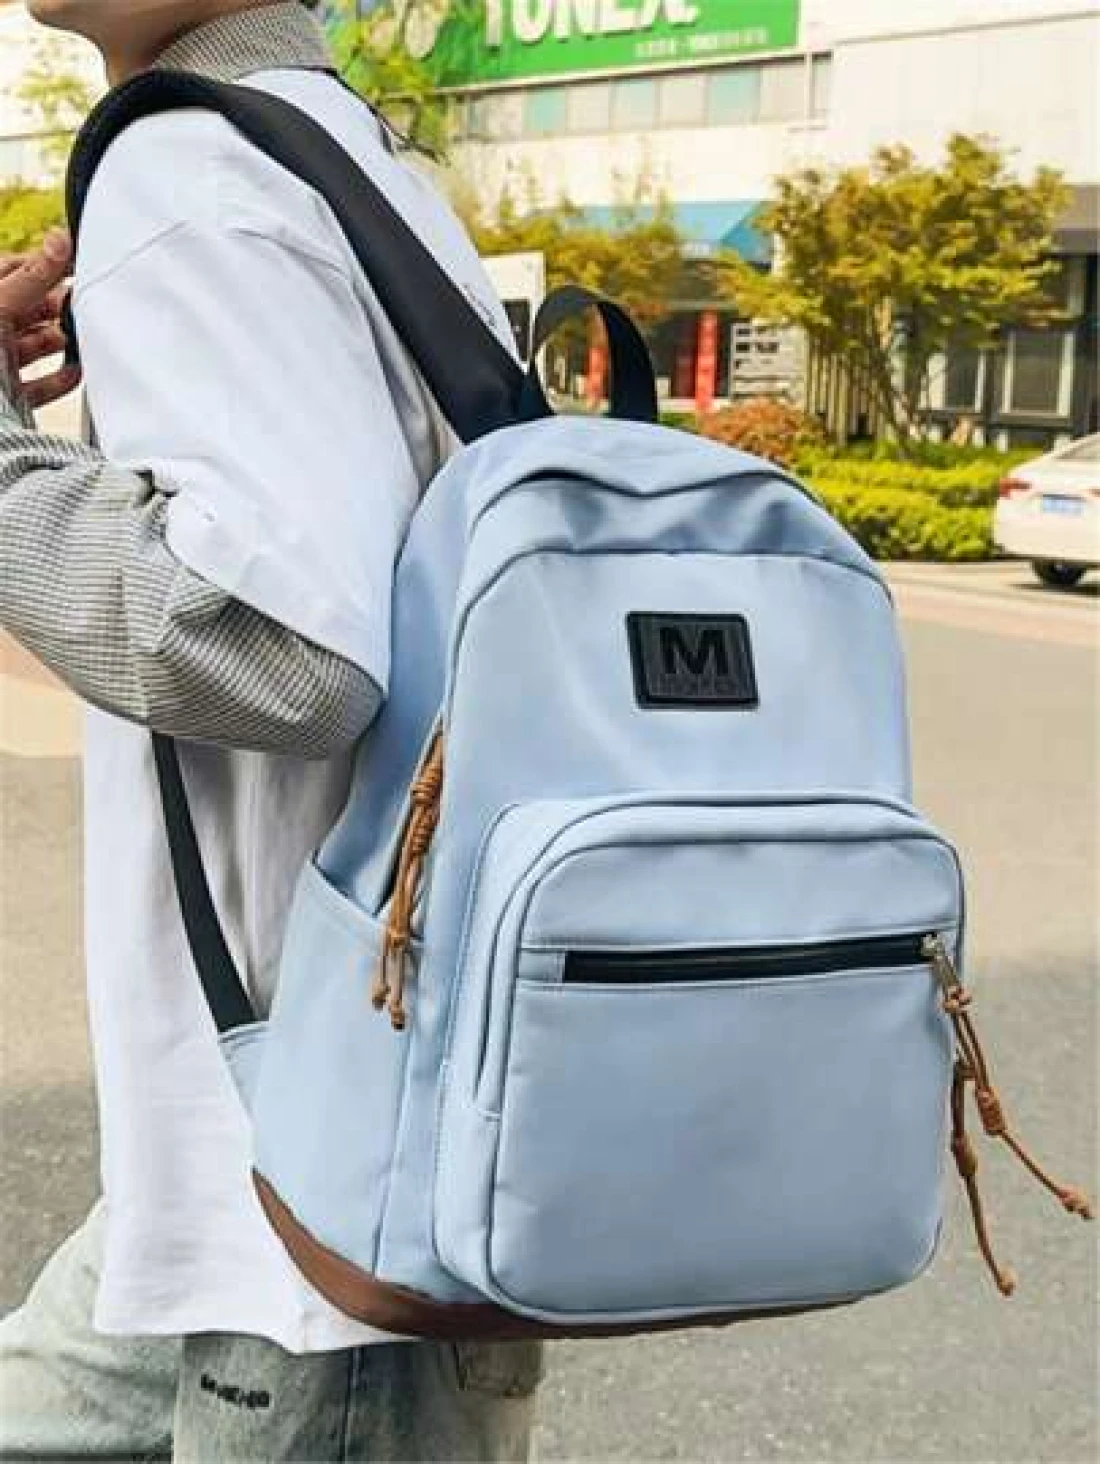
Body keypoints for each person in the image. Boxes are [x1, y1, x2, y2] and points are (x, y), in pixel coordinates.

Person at [0, 3, 543, 1459]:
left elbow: (283, 650)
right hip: (276, 1147)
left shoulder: (188, 166)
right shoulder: (349, 152)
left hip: (317, 1218)